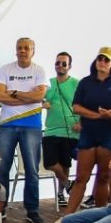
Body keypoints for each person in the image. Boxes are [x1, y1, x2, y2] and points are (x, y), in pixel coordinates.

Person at [51, 46, 111, 223]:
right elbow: (76, 107)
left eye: (106, 60)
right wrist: (97, 116)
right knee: (81, 176)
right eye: (100, 59)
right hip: (89, 131)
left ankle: (98, 219)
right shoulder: (86, 82)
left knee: (103, 177)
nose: (102, 62)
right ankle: (66, 219)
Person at [0, 37, 50, 223]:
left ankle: (33, 211)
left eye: (26, 48)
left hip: (32, 125)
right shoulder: (5, 69)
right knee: (2, 168)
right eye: (19, 48)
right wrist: (29, 97)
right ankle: (0, 209)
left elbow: (40, 95)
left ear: (33, 51)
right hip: (7, 125)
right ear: (15, 50)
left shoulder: (39, 70)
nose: (22, 51)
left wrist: (14, 93)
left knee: (32, 169)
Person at [41, 52, 80, 206]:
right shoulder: (48, 83)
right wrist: (42, 104)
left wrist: (81, 123)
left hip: (70, 131)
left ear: (69, 66)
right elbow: (36, 98)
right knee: (50, 162)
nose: (60, 66)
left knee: (65, 163)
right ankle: (68, 184)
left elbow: (85, 104)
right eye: (58, 63)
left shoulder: (76, 84)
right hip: (51, 129)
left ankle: (61, 193)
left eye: (64, 63)